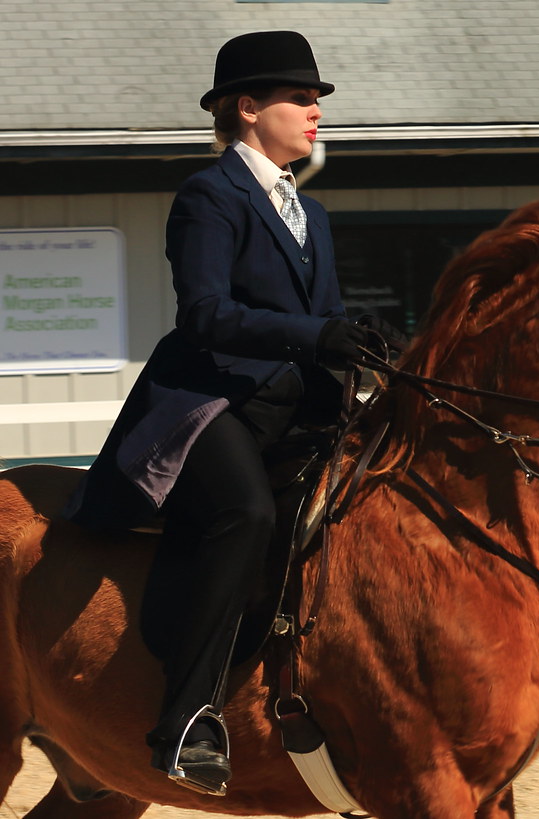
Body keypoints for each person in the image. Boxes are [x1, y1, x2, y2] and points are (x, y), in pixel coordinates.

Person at [65, 31, 399, 794]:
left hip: (294, 405)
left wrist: (371, 346)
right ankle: (185, 720)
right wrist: (317, 335)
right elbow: (206, 315)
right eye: (301, 98)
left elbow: (326, 319)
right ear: (248, 108)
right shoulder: (209, 196)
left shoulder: (312, 213)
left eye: (316, 100)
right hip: (211, 399)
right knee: (245, 513)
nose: (316, 112)